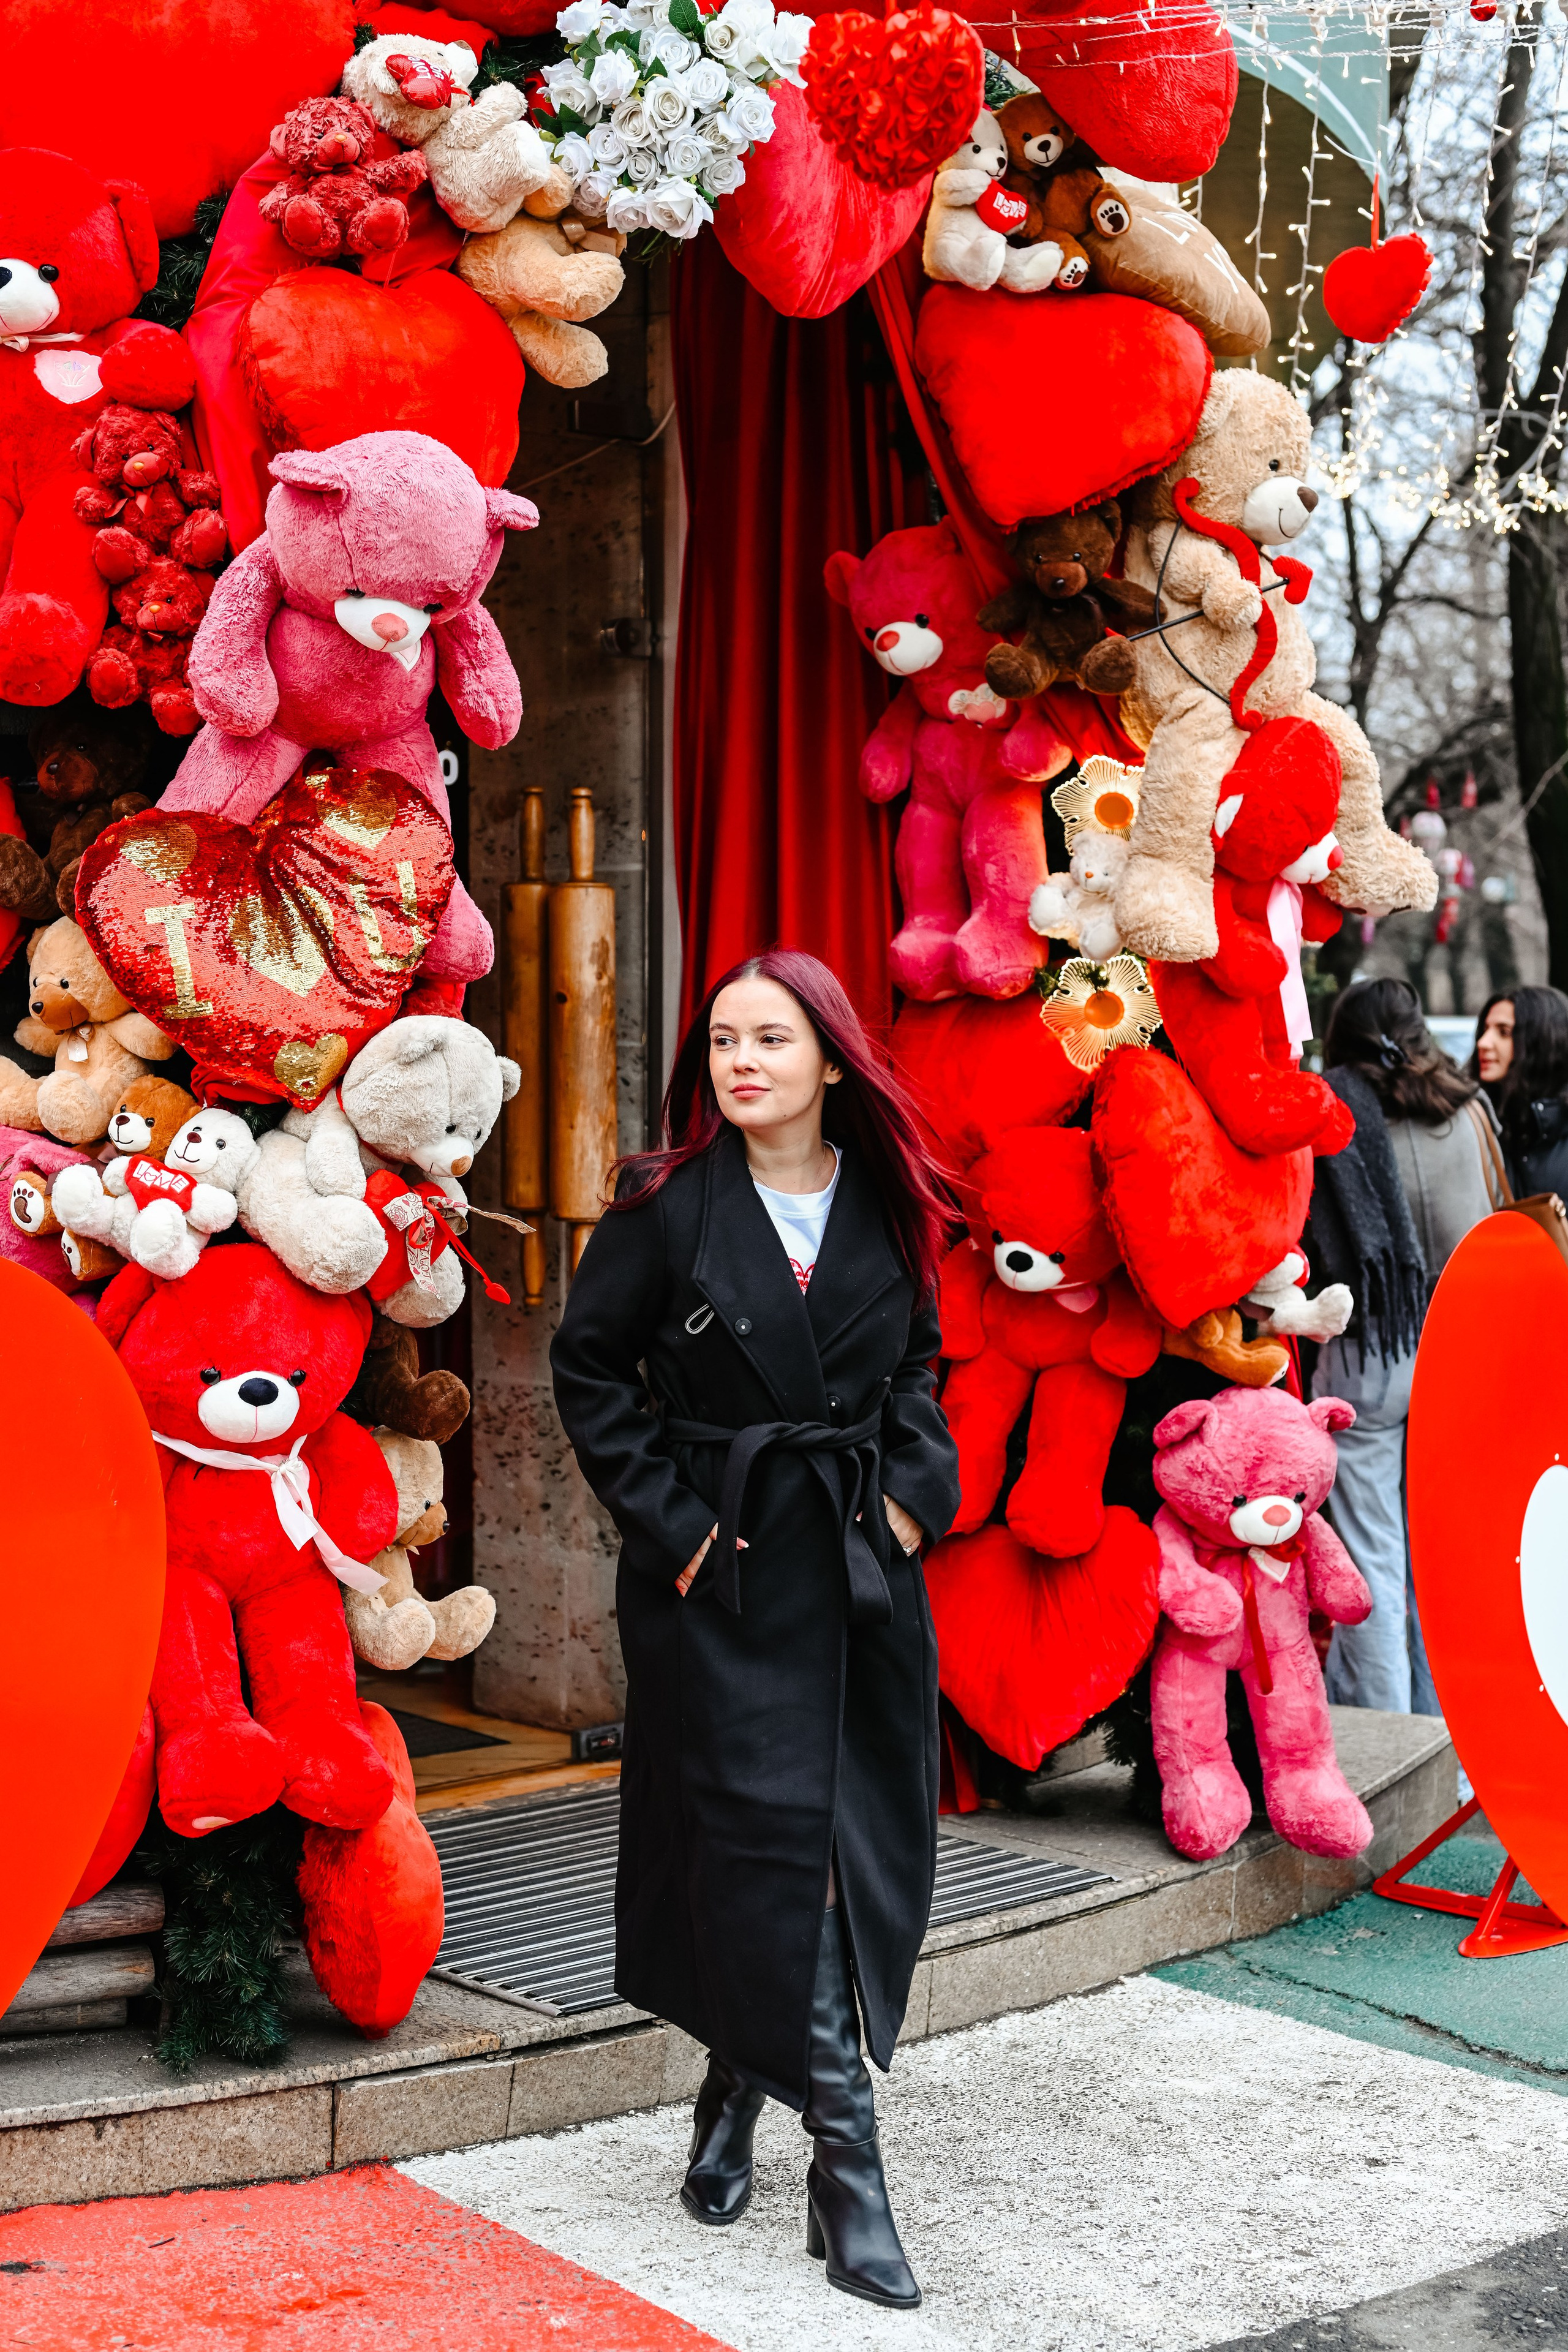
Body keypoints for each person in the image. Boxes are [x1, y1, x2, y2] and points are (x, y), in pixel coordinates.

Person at [550, 948, 961, 2312]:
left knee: (832, 1854)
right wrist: (679, 1530)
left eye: (771, 1039)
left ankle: (734, 2086)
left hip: (855, 1572)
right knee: (764, 1851)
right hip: (720, 1584)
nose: (741, 1061)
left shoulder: (892, 1204)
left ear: (831, 1061)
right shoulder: (667, 1206)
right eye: (724, 1039)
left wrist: (911, 1500)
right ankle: (849, 2169)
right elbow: (589, 1370)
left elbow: (919, 1367)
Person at [1306, 978, 1503, 1714]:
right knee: (1442, 1558)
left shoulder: (1338, 1115)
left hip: (1371, 1351)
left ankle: (1389, 1731)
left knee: (1371, 1551)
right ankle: (1449, 1735)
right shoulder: (1471, 1110)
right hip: (1462, 1348)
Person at [1471, 985, 1568, 1197]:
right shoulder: (1475, 1119)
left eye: (1504, 1032)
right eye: (1485, 1030)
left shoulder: (1559, 1126)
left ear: (1542, 1042)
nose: (1483, 1043)